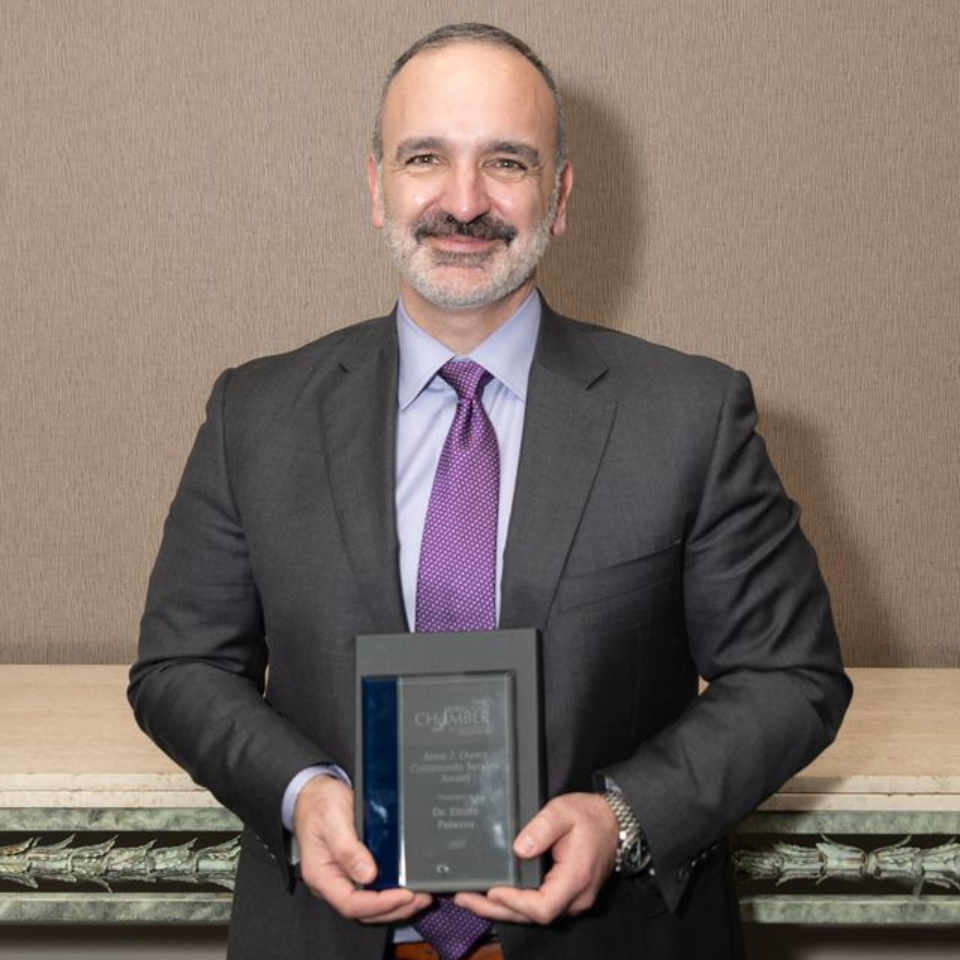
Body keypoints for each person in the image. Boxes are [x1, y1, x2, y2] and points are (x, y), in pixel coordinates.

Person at [129, 22, 851, 960]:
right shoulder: (253, 414)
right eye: (426, 157)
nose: (463, 203)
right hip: (324, 935)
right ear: (376, 188)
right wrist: (299, 791)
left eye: (506, 162)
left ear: (559, 197)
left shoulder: (691, 415)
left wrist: (623, 819)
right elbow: (179, 668)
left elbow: (790, 677)